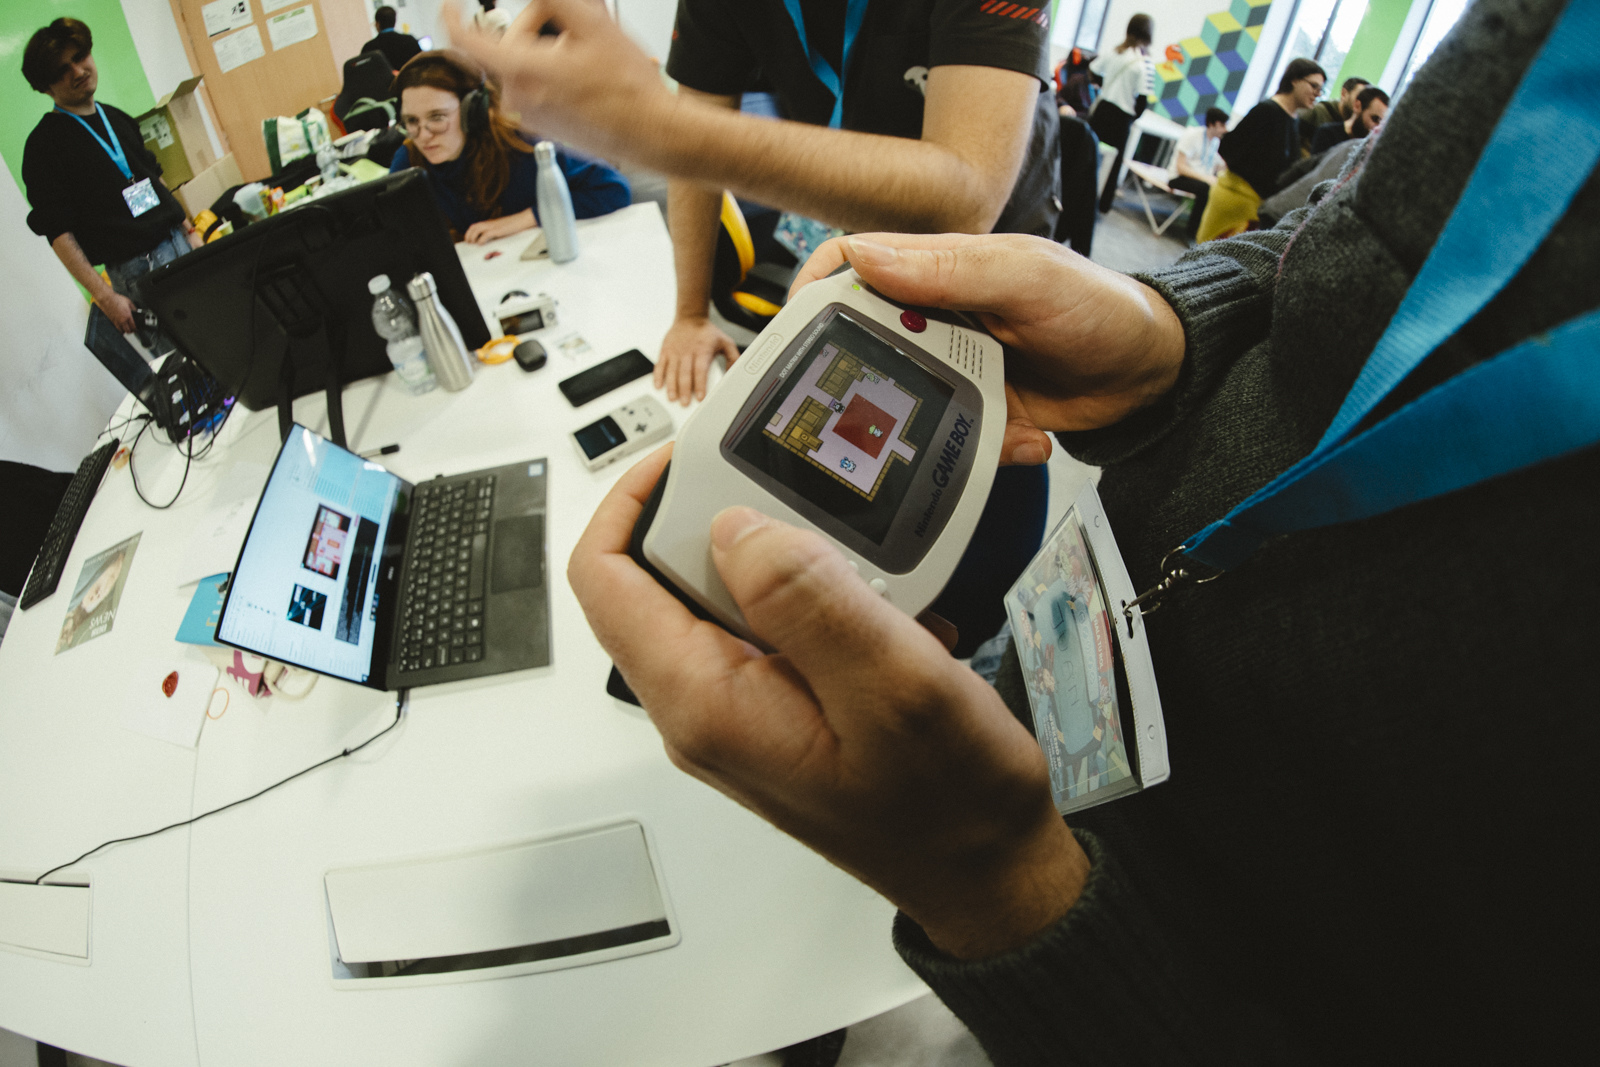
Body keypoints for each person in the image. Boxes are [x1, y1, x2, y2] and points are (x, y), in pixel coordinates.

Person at [567, 0, 1595, 1059]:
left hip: (1184, 965)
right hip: (1093, 657)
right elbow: (1351, 238)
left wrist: (1000, 888)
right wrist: (1168, 332)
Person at [446, 0, 1062, 408]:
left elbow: (965, 202)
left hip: (996, 273)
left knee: (990, 439)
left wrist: (659, 129)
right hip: (862, 243)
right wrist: (690, 315)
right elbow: (695, 150)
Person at [21, 17, 199, 350]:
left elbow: (154, 177)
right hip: (138, 272)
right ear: (45, 87)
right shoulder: (44, 146)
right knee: (187, 359)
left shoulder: (116, 117)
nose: (78, 71)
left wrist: (190, 230)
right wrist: (105, 297)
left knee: (221, 338)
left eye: (80, 57)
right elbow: (58, 232)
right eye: (62, 70)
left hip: (178, 245)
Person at [388, 51, 629, 244]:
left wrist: (526, 218)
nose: (423, 135)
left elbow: (613, 188)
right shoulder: (409, 162)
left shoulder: (520, 146)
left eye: (437, 117)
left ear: (472, 111)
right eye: (412, 121)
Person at [1195, 56, 1325, 242]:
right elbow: (1229, 148)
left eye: (1321, 89)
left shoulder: (1293, 119)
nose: (1317, 94)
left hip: (1255, 208)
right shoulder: (1267, 110)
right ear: (1295, 80)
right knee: (1207, 257)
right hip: (1235, 202)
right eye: (1314, 86)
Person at [1088, 14, 1156, 214]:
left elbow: (1093, 69)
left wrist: (1104, 87)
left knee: (1089, 155)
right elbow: (1142, 101)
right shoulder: (1145, 63)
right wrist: (1133, 117)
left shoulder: (1115, 52)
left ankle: (1079, 196)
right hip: (1121, 118)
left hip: (1102, 111)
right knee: (1113, 165)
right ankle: (1102, 205)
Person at [1166, 106, 1228, 242]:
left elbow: (1218, 166)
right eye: (1222, 125)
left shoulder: (1215, 142)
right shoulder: (1193, 135)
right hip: (1178, 177)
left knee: (1219, 190)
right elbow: (1180, 167)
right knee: (1206, 189)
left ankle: (1209, 233)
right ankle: (1192, 233)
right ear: (1211, 124)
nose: (1225, 130)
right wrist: (1206, 178)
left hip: (1200, 179)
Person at [1297, 74, 1367, 151]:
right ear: (1344, 94)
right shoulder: (1317, 111)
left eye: (1365, 100)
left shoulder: (1356, 129)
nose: (1361, 103)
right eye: (1359, 97)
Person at [1310, 84, 1389, 153]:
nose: (1377, 128)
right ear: (1357, 106)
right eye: (1375, 119)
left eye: (1382, 124)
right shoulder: (1327, 134)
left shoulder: (1370, 146)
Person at [362, 5, 423, 72]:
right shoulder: (409, 40)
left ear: (377, 24)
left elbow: (364, 72)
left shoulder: (369, 48)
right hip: (408, 78)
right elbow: (422, 64)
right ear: (394, 21)